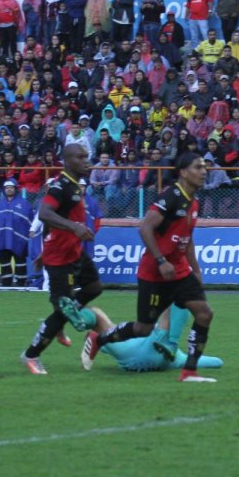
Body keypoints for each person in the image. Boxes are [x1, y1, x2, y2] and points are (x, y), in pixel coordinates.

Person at [84, 152, 217, 383]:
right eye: (198, 167)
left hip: (179, 272)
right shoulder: (171, 197)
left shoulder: (194, 202)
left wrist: (195, 269)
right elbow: (144, 227)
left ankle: (189, 372)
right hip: (155, 273)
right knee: (143, 328)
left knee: (204, 313)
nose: (204, 171)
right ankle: (100, 339)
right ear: (184, 173)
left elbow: (187, 238)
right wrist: (161, 260)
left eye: (205, 167)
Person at [20, 144, 104, 375]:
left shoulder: (75, 185)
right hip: (60, 258)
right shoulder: (60, 186)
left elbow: (53, 220)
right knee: (62, 310)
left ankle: (62, 320)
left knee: (94, 287)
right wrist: (74, 227)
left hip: (73, 251)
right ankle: (31, 355)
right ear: (67, 161)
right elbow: (44, 214)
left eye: (87, 157)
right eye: (80, 157)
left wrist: (44, 248)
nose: (86, 161)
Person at [73, 305, 223, 373]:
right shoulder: (180, 359)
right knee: (182, 296)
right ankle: (170, 343)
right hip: (156, 355)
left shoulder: (117, 340)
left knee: (96, 314)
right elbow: (217, 362)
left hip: (128, 358)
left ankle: (83, 321)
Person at [0, 179, 33, 287]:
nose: (9, 189)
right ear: (4, 189)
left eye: (11, 187)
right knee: (4, 262)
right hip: (3, 239)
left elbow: (29, 221)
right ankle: (6, 284)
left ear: (15, 189)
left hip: (19, 239)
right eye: (7, 188)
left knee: (20, 262)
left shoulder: (24, 203)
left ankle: (21, 284)